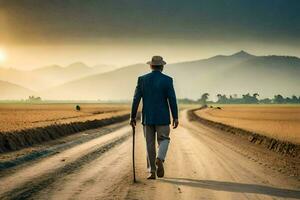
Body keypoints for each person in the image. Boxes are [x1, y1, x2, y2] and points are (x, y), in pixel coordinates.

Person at [130, 55, 179, 179]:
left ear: (151, 66)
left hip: (148, 117)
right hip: (163, 117)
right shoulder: (168, 80)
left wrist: (132, 117)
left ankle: (152, 172)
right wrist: (175, 116)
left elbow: (136, 99)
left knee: (149, 144)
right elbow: (172, 99)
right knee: (164, 139)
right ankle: (160, 158)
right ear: (162, 66)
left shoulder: (142, 79)